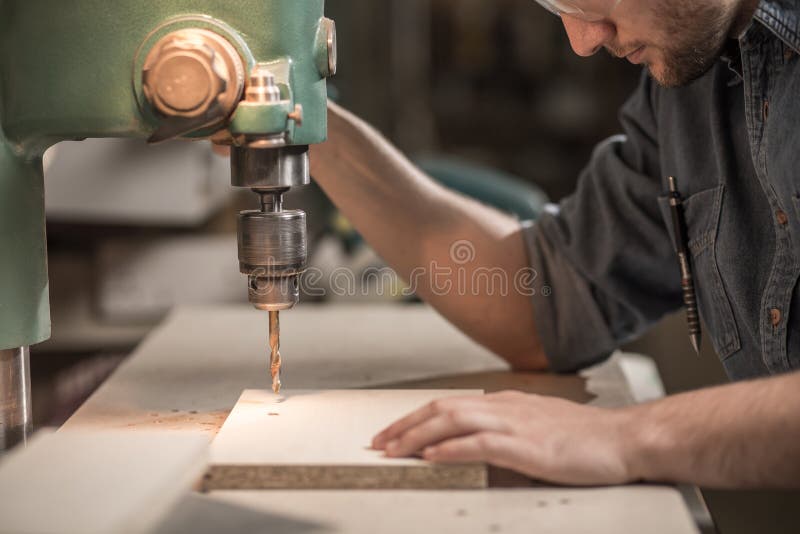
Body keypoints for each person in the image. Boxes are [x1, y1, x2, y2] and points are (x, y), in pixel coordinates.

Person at [309, 0, 800, 488]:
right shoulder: (693, 78)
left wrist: (627, 436)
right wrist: (304, 121)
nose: (583, 41)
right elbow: (551, 299)